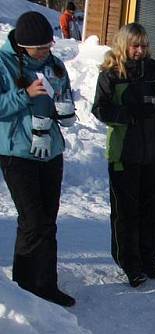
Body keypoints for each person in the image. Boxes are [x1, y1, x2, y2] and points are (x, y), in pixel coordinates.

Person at [91, 23, 155, 287]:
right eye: (135, 45)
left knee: (152, 212)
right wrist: (124, 115)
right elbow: (100, 109)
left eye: (144, 45)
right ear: (124, 45)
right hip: (123, 155)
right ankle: (129, 262)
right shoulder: (111, 73)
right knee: (126, 212)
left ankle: (149, 259)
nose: (140, 50)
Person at [0, 11, 77, 307]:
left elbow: (64, 94)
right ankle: (24, 290)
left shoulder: (54, 66)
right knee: (32, 222)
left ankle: (46, 285)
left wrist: (65, 109)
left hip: (50, 150)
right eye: (40, 48)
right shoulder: (4, 63)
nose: (46, 52)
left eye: (48, 46)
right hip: (17, 152)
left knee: (47, 221)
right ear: (22, 46)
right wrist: (24, 94)